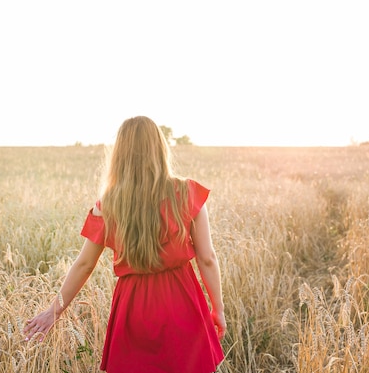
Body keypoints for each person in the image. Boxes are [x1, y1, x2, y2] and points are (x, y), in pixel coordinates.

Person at [23, 116, 226, 372]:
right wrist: (218, 309)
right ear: (160, 148)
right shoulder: (187, 192)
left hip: (133, 309)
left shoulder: (108, 205)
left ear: (120, 154)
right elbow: (207, 258)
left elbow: (84, 264)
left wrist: (53, 311)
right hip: (182, 302)